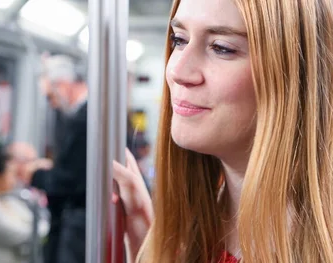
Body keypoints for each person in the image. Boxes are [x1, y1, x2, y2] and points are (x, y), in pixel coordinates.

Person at [113, 0, 333, 262]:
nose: (176, 71)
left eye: (221, 47)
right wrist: (149, 245)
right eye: (179, 40)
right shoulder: (193, 227)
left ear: (296, 74)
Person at [29, 55, 88, 263]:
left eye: (50, 96)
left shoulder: (84, 120)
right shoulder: (89, 114)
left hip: (80, 224)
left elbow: (71, 180)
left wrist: (36, 174)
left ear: (63, 86)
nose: (52, 104)